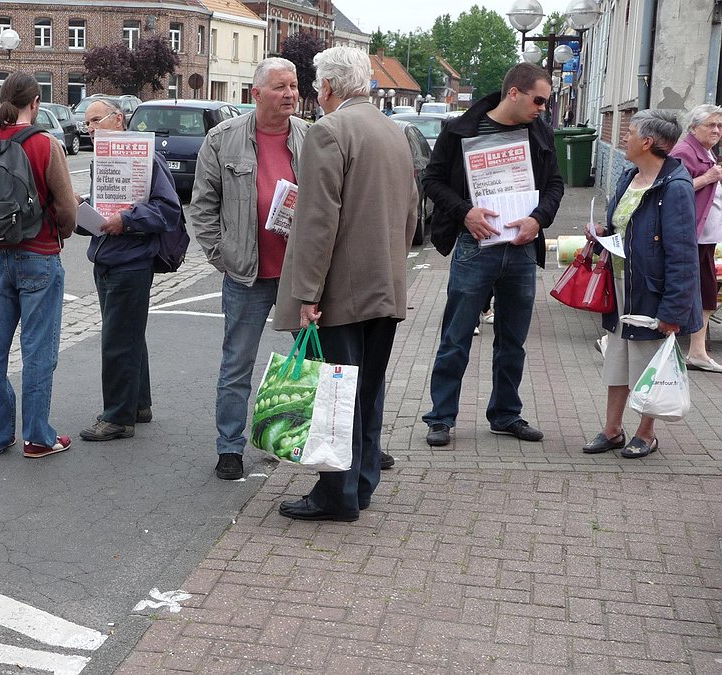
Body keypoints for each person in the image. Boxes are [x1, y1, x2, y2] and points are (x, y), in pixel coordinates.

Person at [273, 47, 417, 522]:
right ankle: (362, 484)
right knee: (368, 390)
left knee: (335, 393)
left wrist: (309, 292)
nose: (315, 94)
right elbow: (411, 214)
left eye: (316, 85)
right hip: (386, 286)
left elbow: (318, 220)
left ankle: (337, 494)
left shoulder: (329, 130)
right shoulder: (392, 130)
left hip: (341, 292)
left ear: (329, 87)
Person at [421, 62, 565, 447]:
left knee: (512, 340)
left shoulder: (540, 133)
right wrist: (464, 212)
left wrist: (538, 219)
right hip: (475, 247)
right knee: (456, 336)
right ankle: (441, 418)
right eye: (538, 100)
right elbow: (431, 180)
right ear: (514, 93)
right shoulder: (461, 129)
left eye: (546, 103)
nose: (542, 109)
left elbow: (554, 185)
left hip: (519, 249)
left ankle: (505, 414)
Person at [187, 57, 310, 481]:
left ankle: (307, 437)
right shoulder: (223, 139)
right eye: (280, 87)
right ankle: (229, 447)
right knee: (237, 364)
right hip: (246, 275)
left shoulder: (311, 139)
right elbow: (202, 205)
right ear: (255, 94)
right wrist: (220, 255)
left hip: (298, 275)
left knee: (313, 359)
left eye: (293, 86)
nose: (290, 94)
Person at [0, 72, 78, 459]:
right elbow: (67, 211)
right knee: (38, 352)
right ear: (36, 102)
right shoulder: (45, 144)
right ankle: (37, 437)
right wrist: (59, 234)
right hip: (38, 258)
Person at [582, 110, 701, 458]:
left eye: (630, 132)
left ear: (648, 142)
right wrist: (604, 232)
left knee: (649, 363)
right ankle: (612, 429)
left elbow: (682, 255)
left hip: (652, 290)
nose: (624, 137)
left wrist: (674, 310)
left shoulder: (675, 187)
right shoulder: (629, 175)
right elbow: (622, 226)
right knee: (617, 357)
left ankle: (646, 433)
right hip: (621, 285)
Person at [77, 100, 183, 442]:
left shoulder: (146, 157)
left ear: (118, 119)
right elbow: (104, 212)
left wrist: (126, 220)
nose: (90, 128)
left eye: (96, 120)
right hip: (108, 256)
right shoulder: (104, 160)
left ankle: (118, 418)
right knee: (128, 334)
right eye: (87, 123)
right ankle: (138, 404)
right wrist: (81, 212)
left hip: (131, 261)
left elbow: (168, 211)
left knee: (117, 339)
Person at [669, 104, 722, 372]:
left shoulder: (706, 151)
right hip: (691, 236)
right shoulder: (684, 151)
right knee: (691, 292)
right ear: (692, 127)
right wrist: (708, 177)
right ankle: (616, 338)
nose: (716, 130)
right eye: (710, 125)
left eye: (719, 126)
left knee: (705, 293)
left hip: (705, 238)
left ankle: (698, 351)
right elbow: (672, 189)